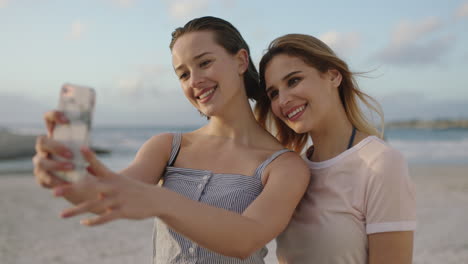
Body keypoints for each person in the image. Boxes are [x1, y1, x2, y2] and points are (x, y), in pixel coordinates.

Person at [32, 17, 310, 263]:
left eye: (204, 63)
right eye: (184, 74)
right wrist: (64, 175)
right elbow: (106, 196)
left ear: (240, 60)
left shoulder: (285, 166)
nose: (195, 81)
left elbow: (245, 238)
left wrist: (160, 200)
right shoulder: (167, 147)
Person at [255, 33, 417, 264]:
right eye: (274, 93)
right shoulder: (291, 170)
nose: (283, 100)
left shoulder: (380, 163)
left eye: (293, 81)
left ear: (333, 76)